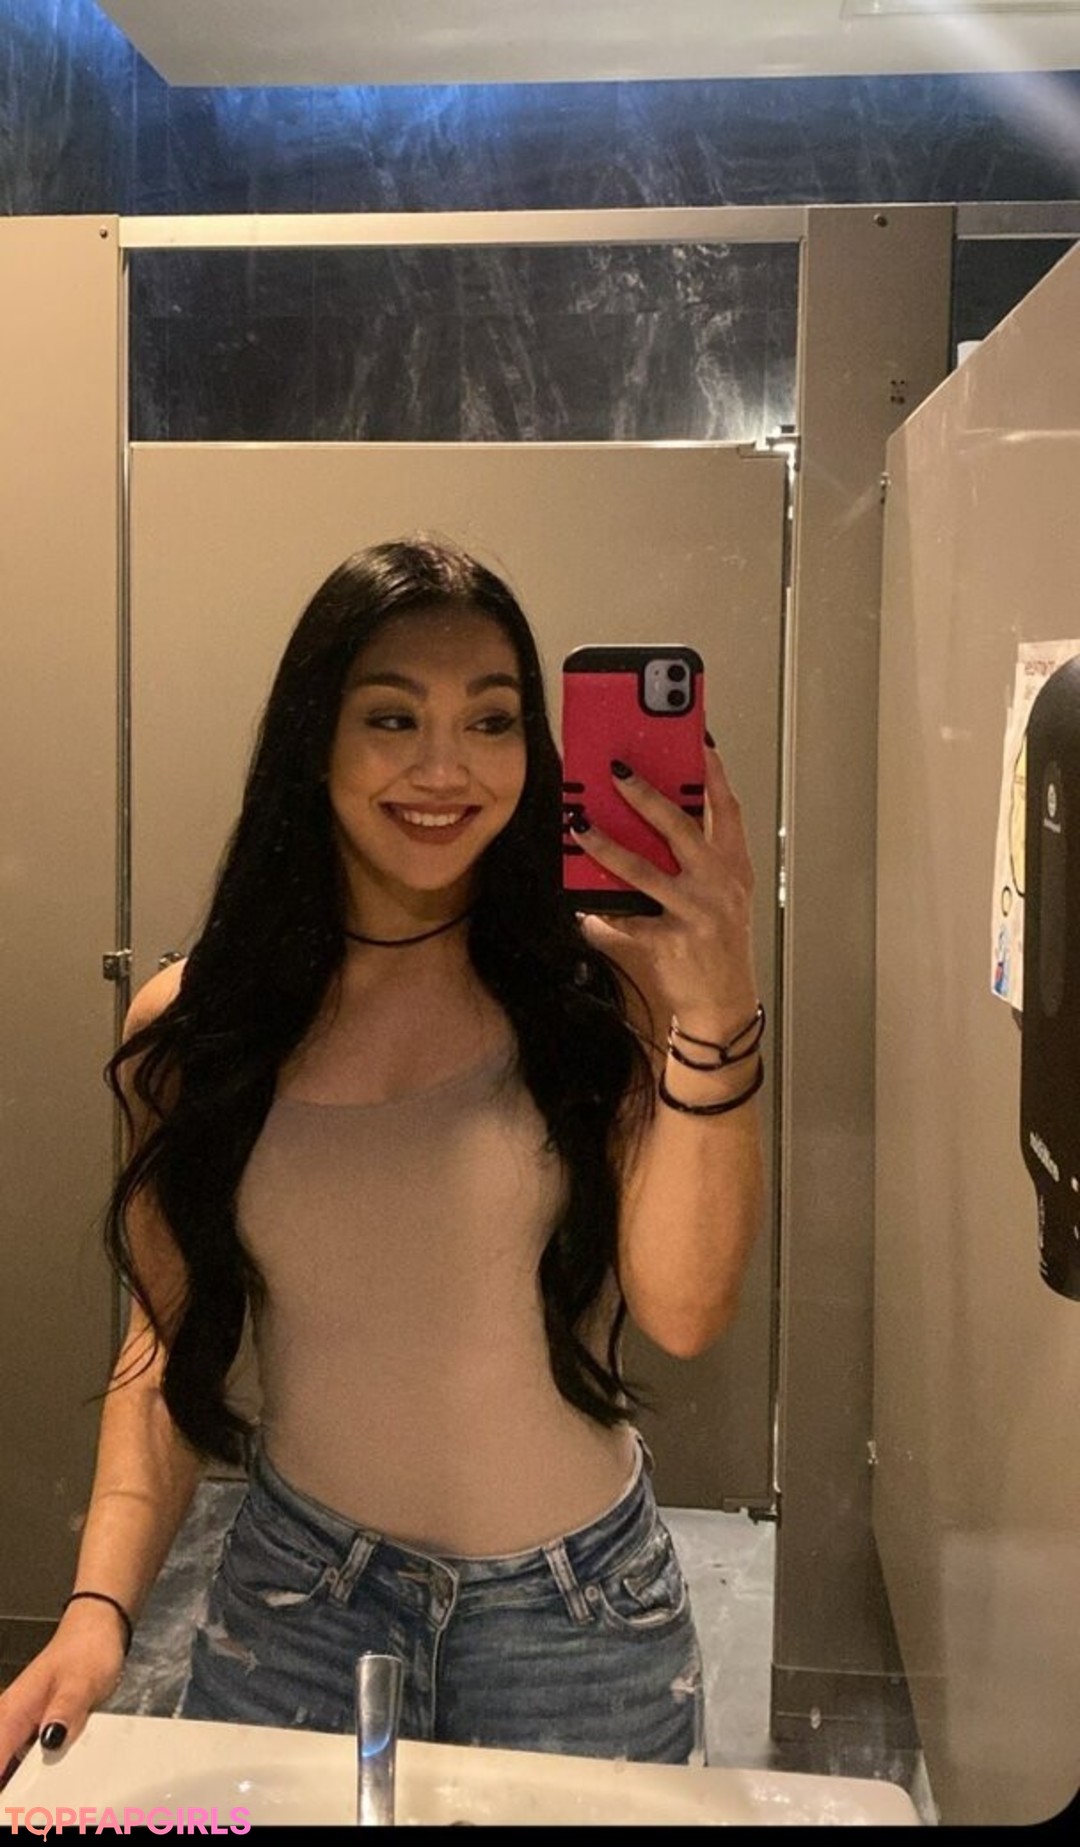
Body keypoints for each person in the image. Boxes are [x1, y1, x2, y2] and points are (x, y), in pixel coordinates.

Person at [0, 533, 764, 1780]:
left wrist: (718, 1009)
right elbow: (166, 1342)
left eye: (493, 719)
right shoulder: (194, 1032)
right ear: (318, 740)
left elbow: (685, 1308)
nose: (445, 768)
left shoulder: (602, 997)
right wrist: (98, 1609)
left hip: (577, 1623)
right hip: (298, 1605)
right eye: (393, 717)